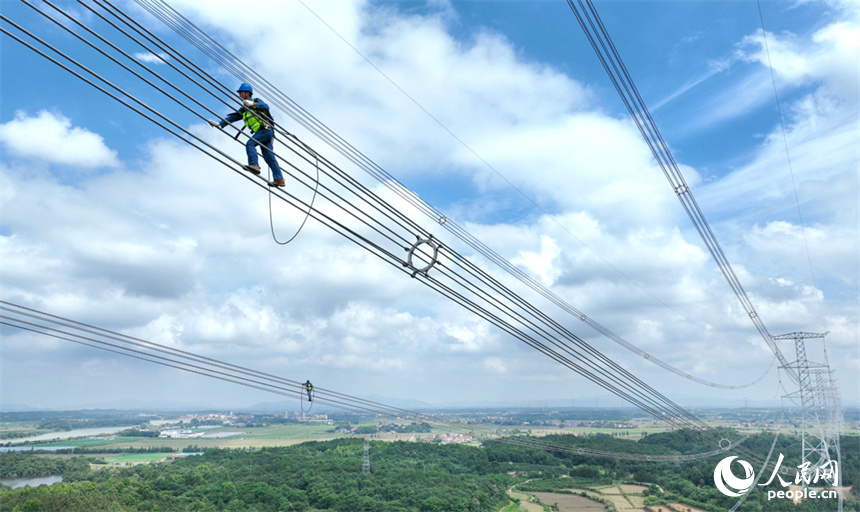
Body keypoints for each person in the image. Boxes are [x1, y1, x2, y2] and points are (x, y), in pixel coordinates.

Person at [209, 83, 285, 187]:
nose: (239, 95)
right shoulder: (244, 108)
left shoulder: (256, 101)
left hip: (265, 130)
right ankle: (279, 179)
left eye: (241, 93)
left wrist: (253, 105)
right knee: (269, 157)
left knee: (250, 144)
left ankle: (254, 165)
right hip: (264, 134)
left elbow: (266, 107)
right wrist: (220, 123)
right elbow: (234, 117)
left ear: (247, 93)